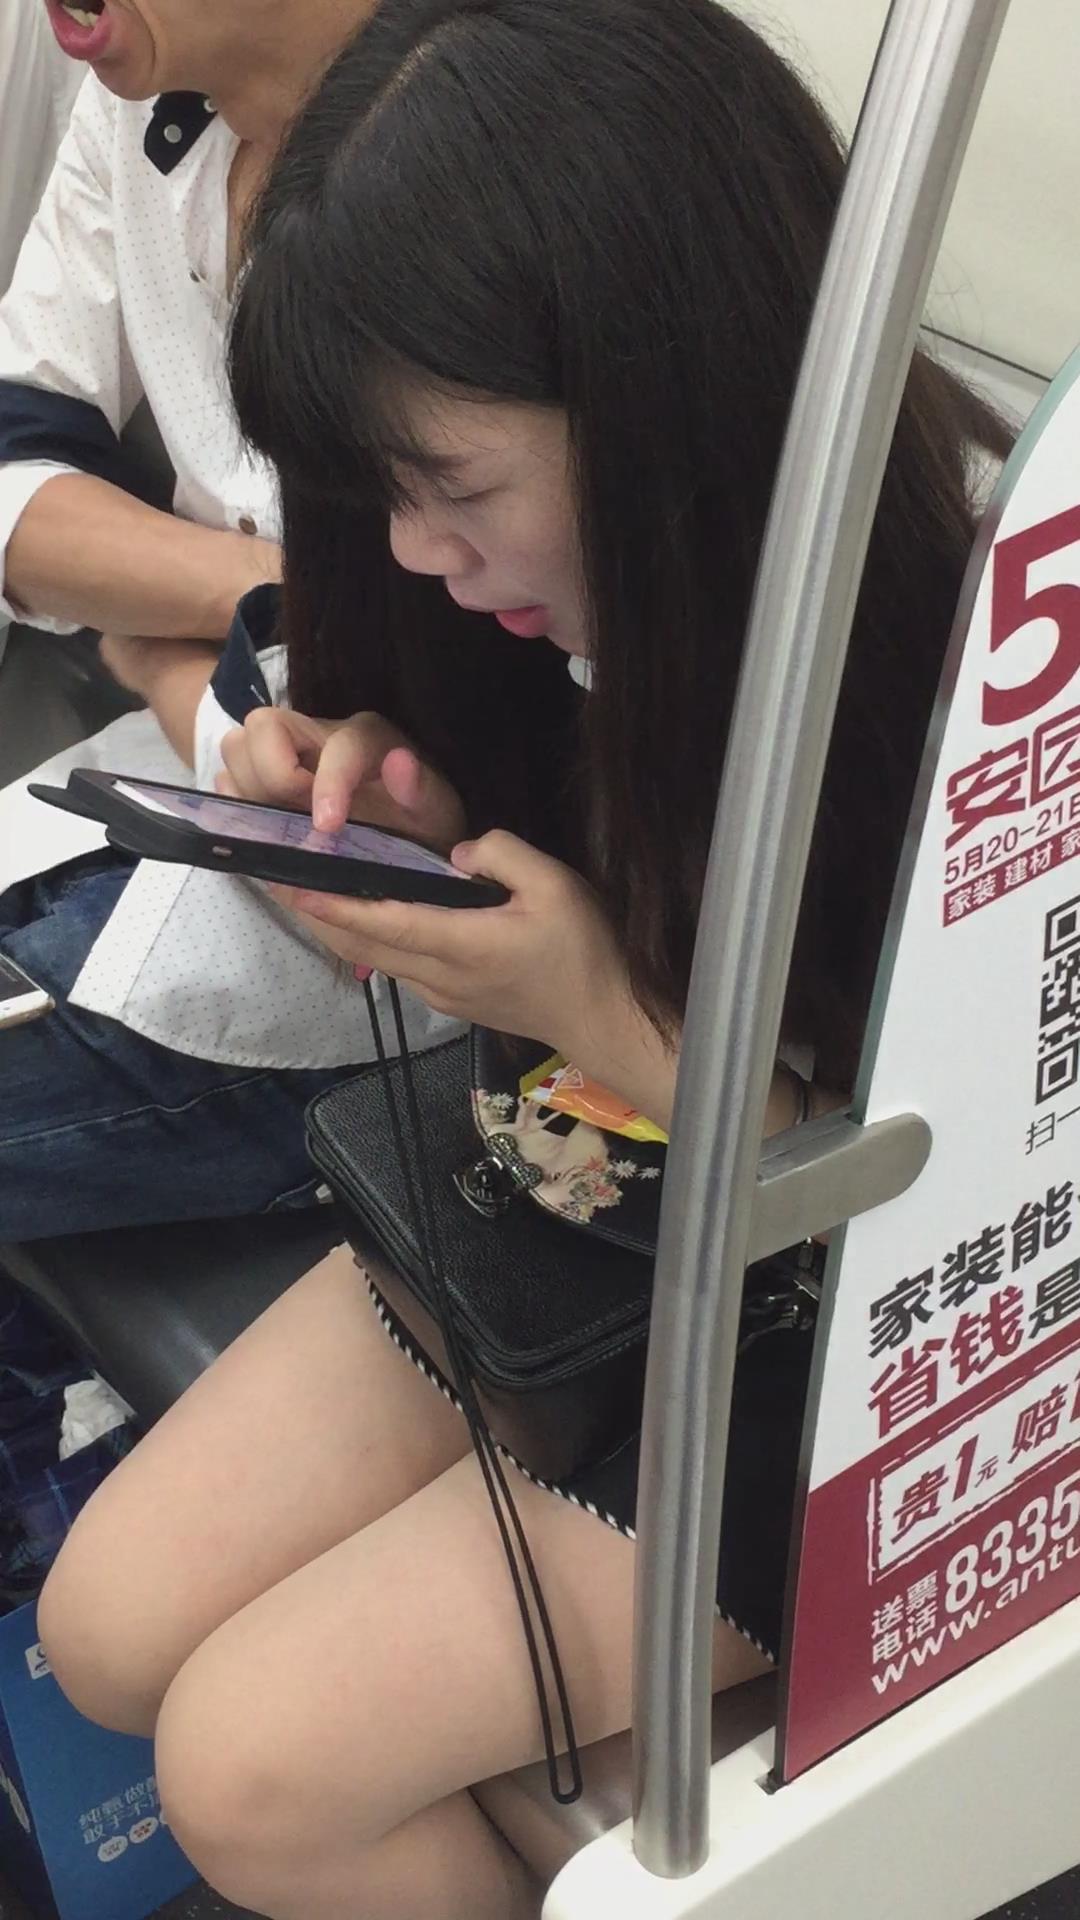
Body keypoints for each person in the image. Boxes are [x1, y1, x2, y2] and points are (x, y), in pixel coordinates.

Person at [38, 1, 1010, 1915]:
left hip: (849, 1335)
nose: (416, 553)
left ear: (669, 398)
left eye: (456, 492)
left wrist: (585, 1004)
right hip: (583, 1183)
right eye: (382, 497)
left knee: (253, 1772)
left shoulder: (972, 672)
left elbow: (945, 1208)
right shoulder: (519, 582)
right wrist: (395, 800)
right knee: (104, 1631)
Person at [0, 0, 458, 1238]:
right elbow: (16, 472)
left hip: (393, 940)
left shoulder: (484, 153)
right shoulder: (140, 105)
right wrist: (252, 600)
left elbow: (425, 671)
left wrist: (156, 643)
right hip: (184, 788)